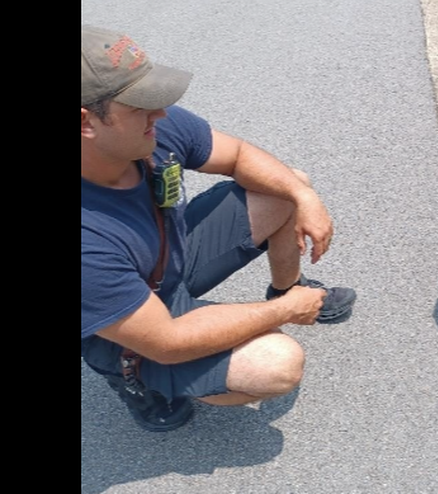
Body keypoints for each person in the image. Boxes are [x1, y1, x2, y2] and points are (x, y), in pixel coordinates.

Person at [81, 25, 357, 432]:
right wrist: (283, 313)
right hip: (135, 328)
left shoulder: (147, 133)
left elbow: (238, 155)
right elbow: (167, 341)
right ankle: (134, 380)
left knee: (284, 186)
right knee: (276, 365)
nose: (160, 114)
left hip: (165, 260)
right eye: (139, 105)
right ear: (85, 122)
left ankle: (287, 284)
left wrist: (304, 197)